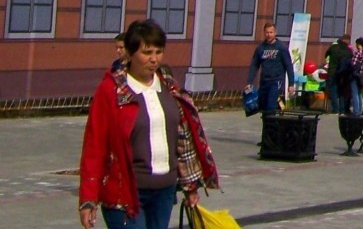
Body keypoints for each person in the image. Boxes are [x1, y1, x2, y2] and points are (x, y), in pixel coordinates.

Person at [79, 18, 219, 229]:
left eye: (158, 52)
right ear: (129, 53)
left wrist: (190, 185)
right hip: (124, 193)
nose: (154, 59)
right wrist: (88, 198)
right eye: (147, 53)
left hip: (164, 192)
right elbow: (94, 146)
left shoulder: (170, 87)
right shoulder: (111, 91)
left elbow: (183, 139)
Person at [245, 22, 296, 115]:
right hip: (264, 82)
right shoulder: (260, 48)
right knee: (263, 107)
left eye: (271, 32)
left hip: (276, 81)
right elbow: (254, 65)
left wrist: (291, 84)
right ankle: (267, 128)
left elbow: (289, 66)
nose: (269, 35)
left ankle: (272, 126)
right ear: (264, 33)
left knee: (270, 107)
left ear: (275, 33)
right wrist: (249, 82)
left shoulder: (281, 48)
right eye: (267, 32)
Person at [325, 34, 353, 113]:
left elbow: (326, 55)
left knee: (333, 91)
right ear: (347, 41)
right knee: (341, 91)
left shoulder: (333, 47)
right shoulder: (348, 50)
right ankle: (342, 109)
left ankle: (335, 109)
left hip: (332, 71)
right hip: (343, 73)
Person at [348, 37, 363, 114]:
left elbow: (353, 63)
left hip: (355, 75)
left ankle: (356, 111)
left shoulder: (358, 52)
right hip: (362, 76)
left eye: (357, 44)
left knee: (354, 93)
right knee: (359, 93)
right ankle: (360, 110)